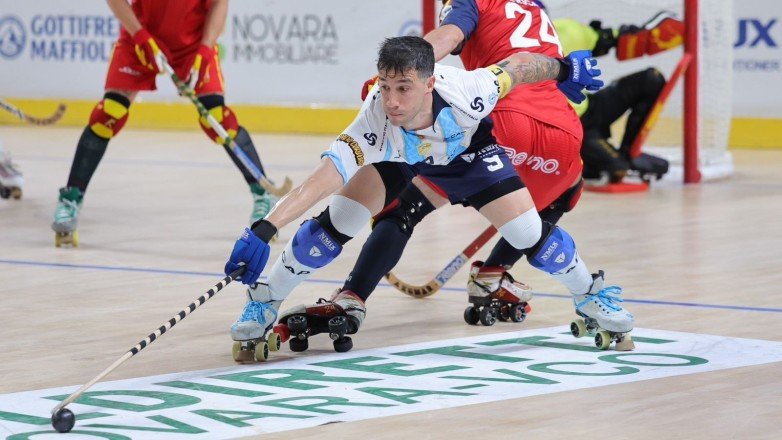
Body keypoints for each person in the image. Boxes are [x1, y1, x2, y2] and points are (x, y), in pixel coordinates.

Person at [271, 0, 636, 351]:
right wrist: (565, 68)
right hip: (563, 137)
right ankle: (509, 275)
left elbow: (447, 36)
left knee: (405, 206)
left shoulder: (472, 5)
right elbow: (529, 62)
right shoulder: (536, 9)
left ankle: (353, 294)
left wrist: (395, 74)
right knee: (552, 203)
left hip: (499, 121)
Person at [51, 0, 275, 245]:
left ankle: (264, 195)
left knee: (218, 119)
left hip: (193, 43)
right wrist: (140, 35)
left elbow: (219, 3)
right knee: (108, 115)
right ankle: (70, 198)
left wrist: (205, 48)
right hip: (140, 37)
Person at [553, 11, 680, 182]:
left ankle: (630, 153)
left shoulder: (565, 29)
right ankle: (591, 163)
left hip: (588, 108)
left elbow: (609, 38)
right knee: (618, 168)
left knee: (651, 79)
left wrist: (636, 33)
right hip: (567, 128)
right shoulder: (560, 31)